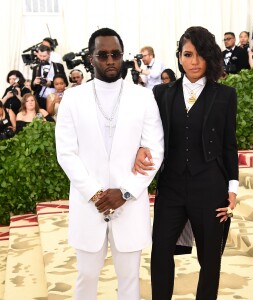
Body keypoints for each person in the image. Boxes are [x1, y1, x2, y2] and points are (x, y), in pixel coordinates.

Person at [55, 27, 164, 300]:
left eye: (115, 54)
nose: (110, 60)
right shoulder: (73, 98)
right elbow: (66, 153)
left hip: (129, 205)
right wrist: (95, 193)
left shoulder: (142, 96)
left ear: (122, 57)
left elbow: (155, 151)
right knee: (86, 278)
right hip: (87, 205)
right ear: (91, 59)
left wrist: (125, 192)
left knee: (129, 280)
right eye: (102, 55)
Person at [134, 26, 239, 300]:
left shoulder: (226, 96)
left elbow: (229, 144)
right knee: (160, 251)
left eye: (201, 55)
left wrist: (233, 187)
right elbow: (147, 134)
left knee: (210, 258)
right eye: (188, 54)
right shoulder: (161, 94)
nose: (195, 62)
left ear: (210, 57)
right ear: (179, 56)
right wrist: (140, 148)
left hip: (211, 186)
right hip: (171, 186)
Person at [31, 44, 67, 110]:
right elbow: (33, 88)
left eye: (44, 56)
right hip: (40, 99)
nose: (42, 58)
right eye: (40, 56)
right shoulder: (36, 68)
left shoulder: (58, 66)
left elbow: (66, 83)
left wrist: (50, 83)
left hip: (56, 98)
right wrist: (34, 83)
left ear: (49, 54)